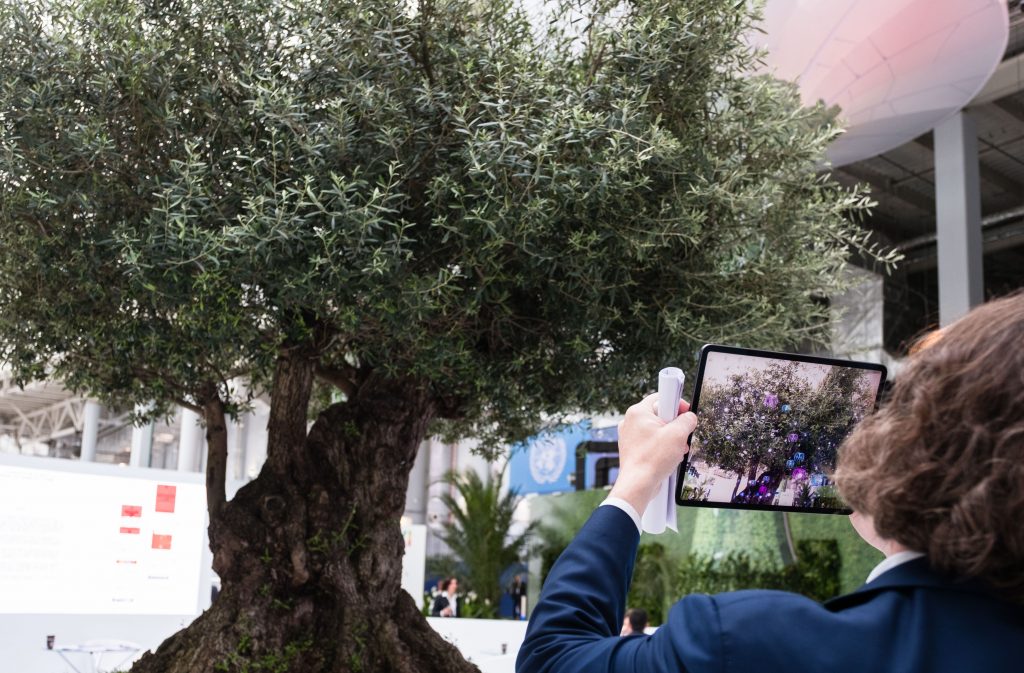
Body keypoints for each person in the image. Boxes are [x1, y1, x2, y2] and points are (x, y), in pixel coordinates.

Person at [517, 293, 1024, 673]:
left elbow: (551, 658)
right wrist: (903, 525)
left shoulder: (743, 642)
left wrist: (632, 484)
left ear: (920, 454)